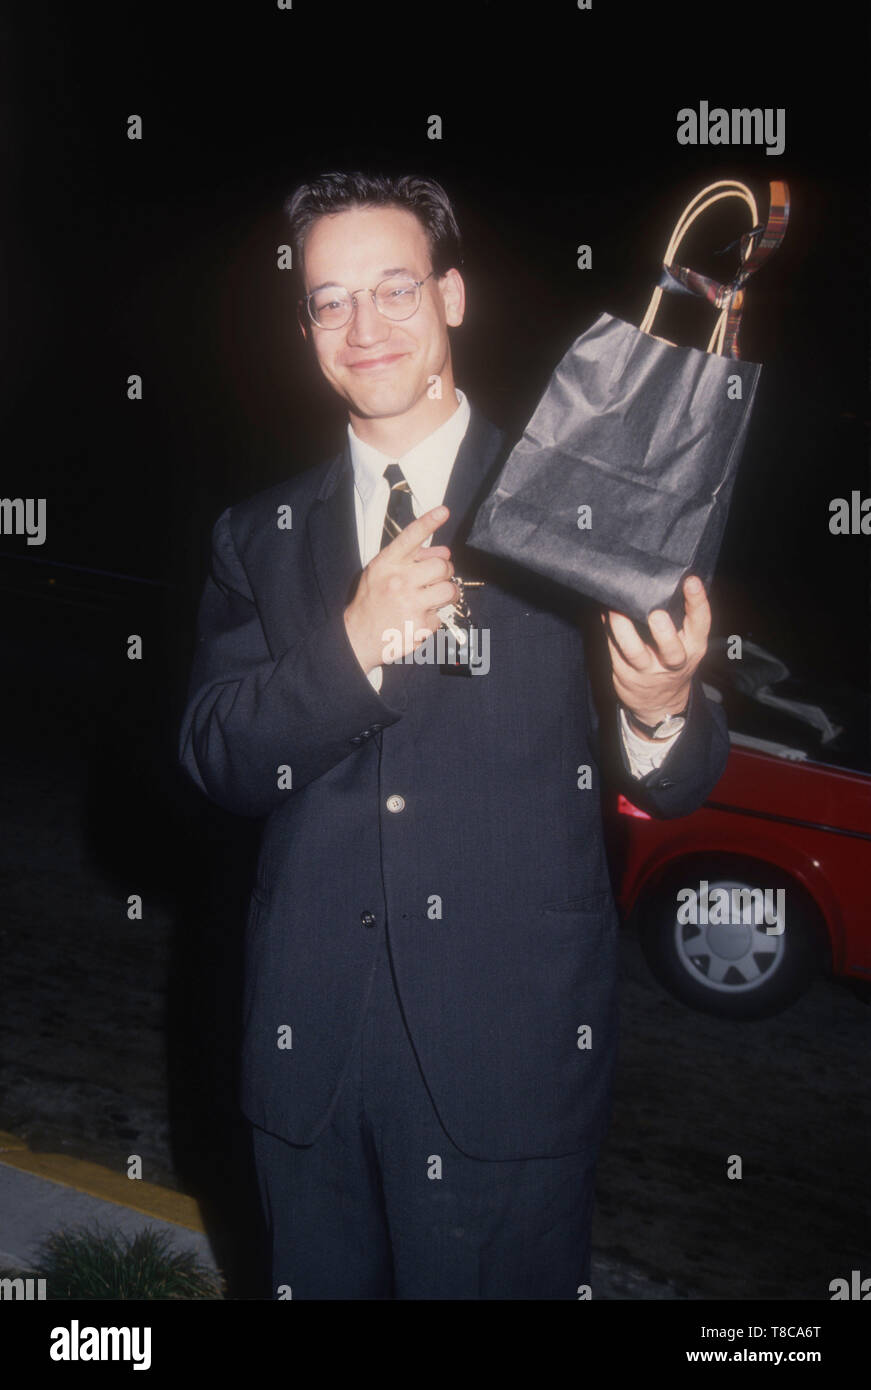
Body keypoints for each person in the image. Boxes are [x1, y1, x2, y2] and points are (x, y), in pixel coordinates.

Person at [179, 171, 730, 1300]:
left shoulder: (576, 498)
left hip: (507, 1058)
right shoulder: (257, 536)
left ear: (454, 296)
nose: (364, 325)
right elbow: (219, 759)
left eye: (395, 288)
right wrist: (352, 647)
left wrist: (660, 706)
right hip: (307, 1062)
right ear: (305, 327)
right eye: (330, 301)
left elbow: (672, 784)